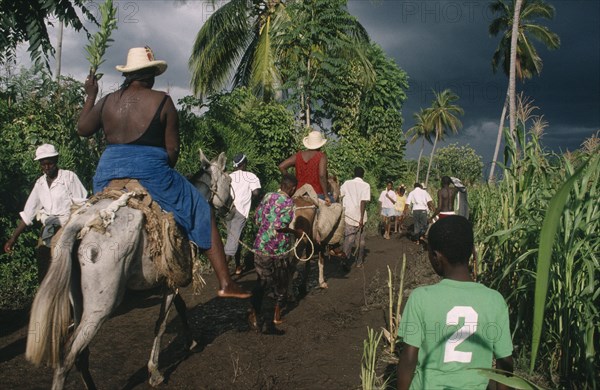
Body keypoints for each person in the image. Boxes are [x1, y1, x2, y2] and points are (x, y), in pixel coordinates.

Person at [77, 46, 249, 299]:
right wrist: (156, 167)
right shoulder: (162, 101)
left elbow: (82, 129)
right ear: (151, 75)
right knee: (201, 209)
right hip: (151, 169)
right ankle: (225, 282)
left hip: (107, 172)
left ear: (130, 74)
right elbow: (172, 151)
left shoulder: (107, 101)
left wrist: (90, 95)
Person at [397, 216, 514, 389]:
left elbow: (408, 359)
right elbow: (505, 366)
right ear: (473, 253)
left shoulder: (420, 298)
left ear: (436, 257)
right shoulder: (494, 300)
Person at [4, 144, 88, 282]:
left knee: (71, 270)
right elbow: (28, 212)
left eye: (50, 163)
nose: (47, 168)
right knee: (44, 268)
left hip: (68, 226)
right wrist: (13, 238)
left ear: (56, 160)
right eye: (43, 164)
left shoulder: (68, 178)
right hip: (49, 229)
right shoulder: (40, 184)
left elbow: (82, 204)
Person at [248, 174, 301, 334]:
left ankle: (254, 313)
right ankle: (269, 322)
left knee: (262, 281)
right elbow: (280, 226)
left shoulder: (268, 196)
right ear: (292, 188)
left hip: (261, 246)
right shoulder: (289, 202)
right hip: (277, 250)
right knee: (278, 284)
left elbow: (257, 218)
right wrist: (295, 231)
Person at [225, 153, 261, 275]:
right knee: (233, 240)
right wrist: (252, 201)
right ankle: (224, 273)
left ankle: (238, 265)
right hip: (240, 212)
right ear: (244, 164)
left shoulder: (228, 176)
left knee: (235, 237)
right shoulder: (250, 176)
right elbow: (256, 192)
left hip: (228, 211)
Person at [278, 129, 330, 202]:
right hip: (317, 193)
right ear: (320, 145)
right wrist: (326, 195)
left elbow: (281, 166)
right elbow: (322, 175)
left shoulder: (298, 155)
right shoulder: (321, 156)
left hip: (299, 192)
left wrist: (290, 179)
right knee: (334, 204)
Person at [340, 167, 371, 268]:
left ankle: (344, 260)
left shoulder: (346, 183)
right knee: (360, 240)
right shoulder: (366, 185)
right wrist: (361, 218)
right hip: (360, 216)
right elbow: (363, 201)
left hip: (349, 214)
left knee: (348, 239)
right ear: (363, 175)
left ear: (354, 174)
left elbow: (340, 195)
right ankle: (359, 262)